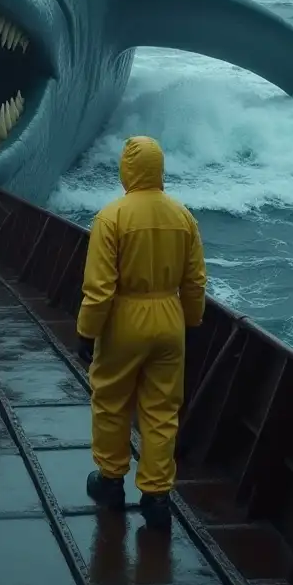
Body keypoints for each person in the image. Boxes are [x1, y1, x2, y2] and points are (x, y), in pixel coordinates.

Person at [76, 135, 207, 532]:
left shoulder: (112, 217)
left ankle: (111, 481)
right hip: (170, 317)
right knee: (162, 409)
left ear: (127, 169)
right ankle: (156, 496)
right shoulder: (183, 216)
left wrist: (86, 331)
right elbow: (195, 280)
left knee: (112, 401)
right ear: (159, 168)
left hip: (125, 319)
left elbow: (99, 288)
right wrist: (192, 323)